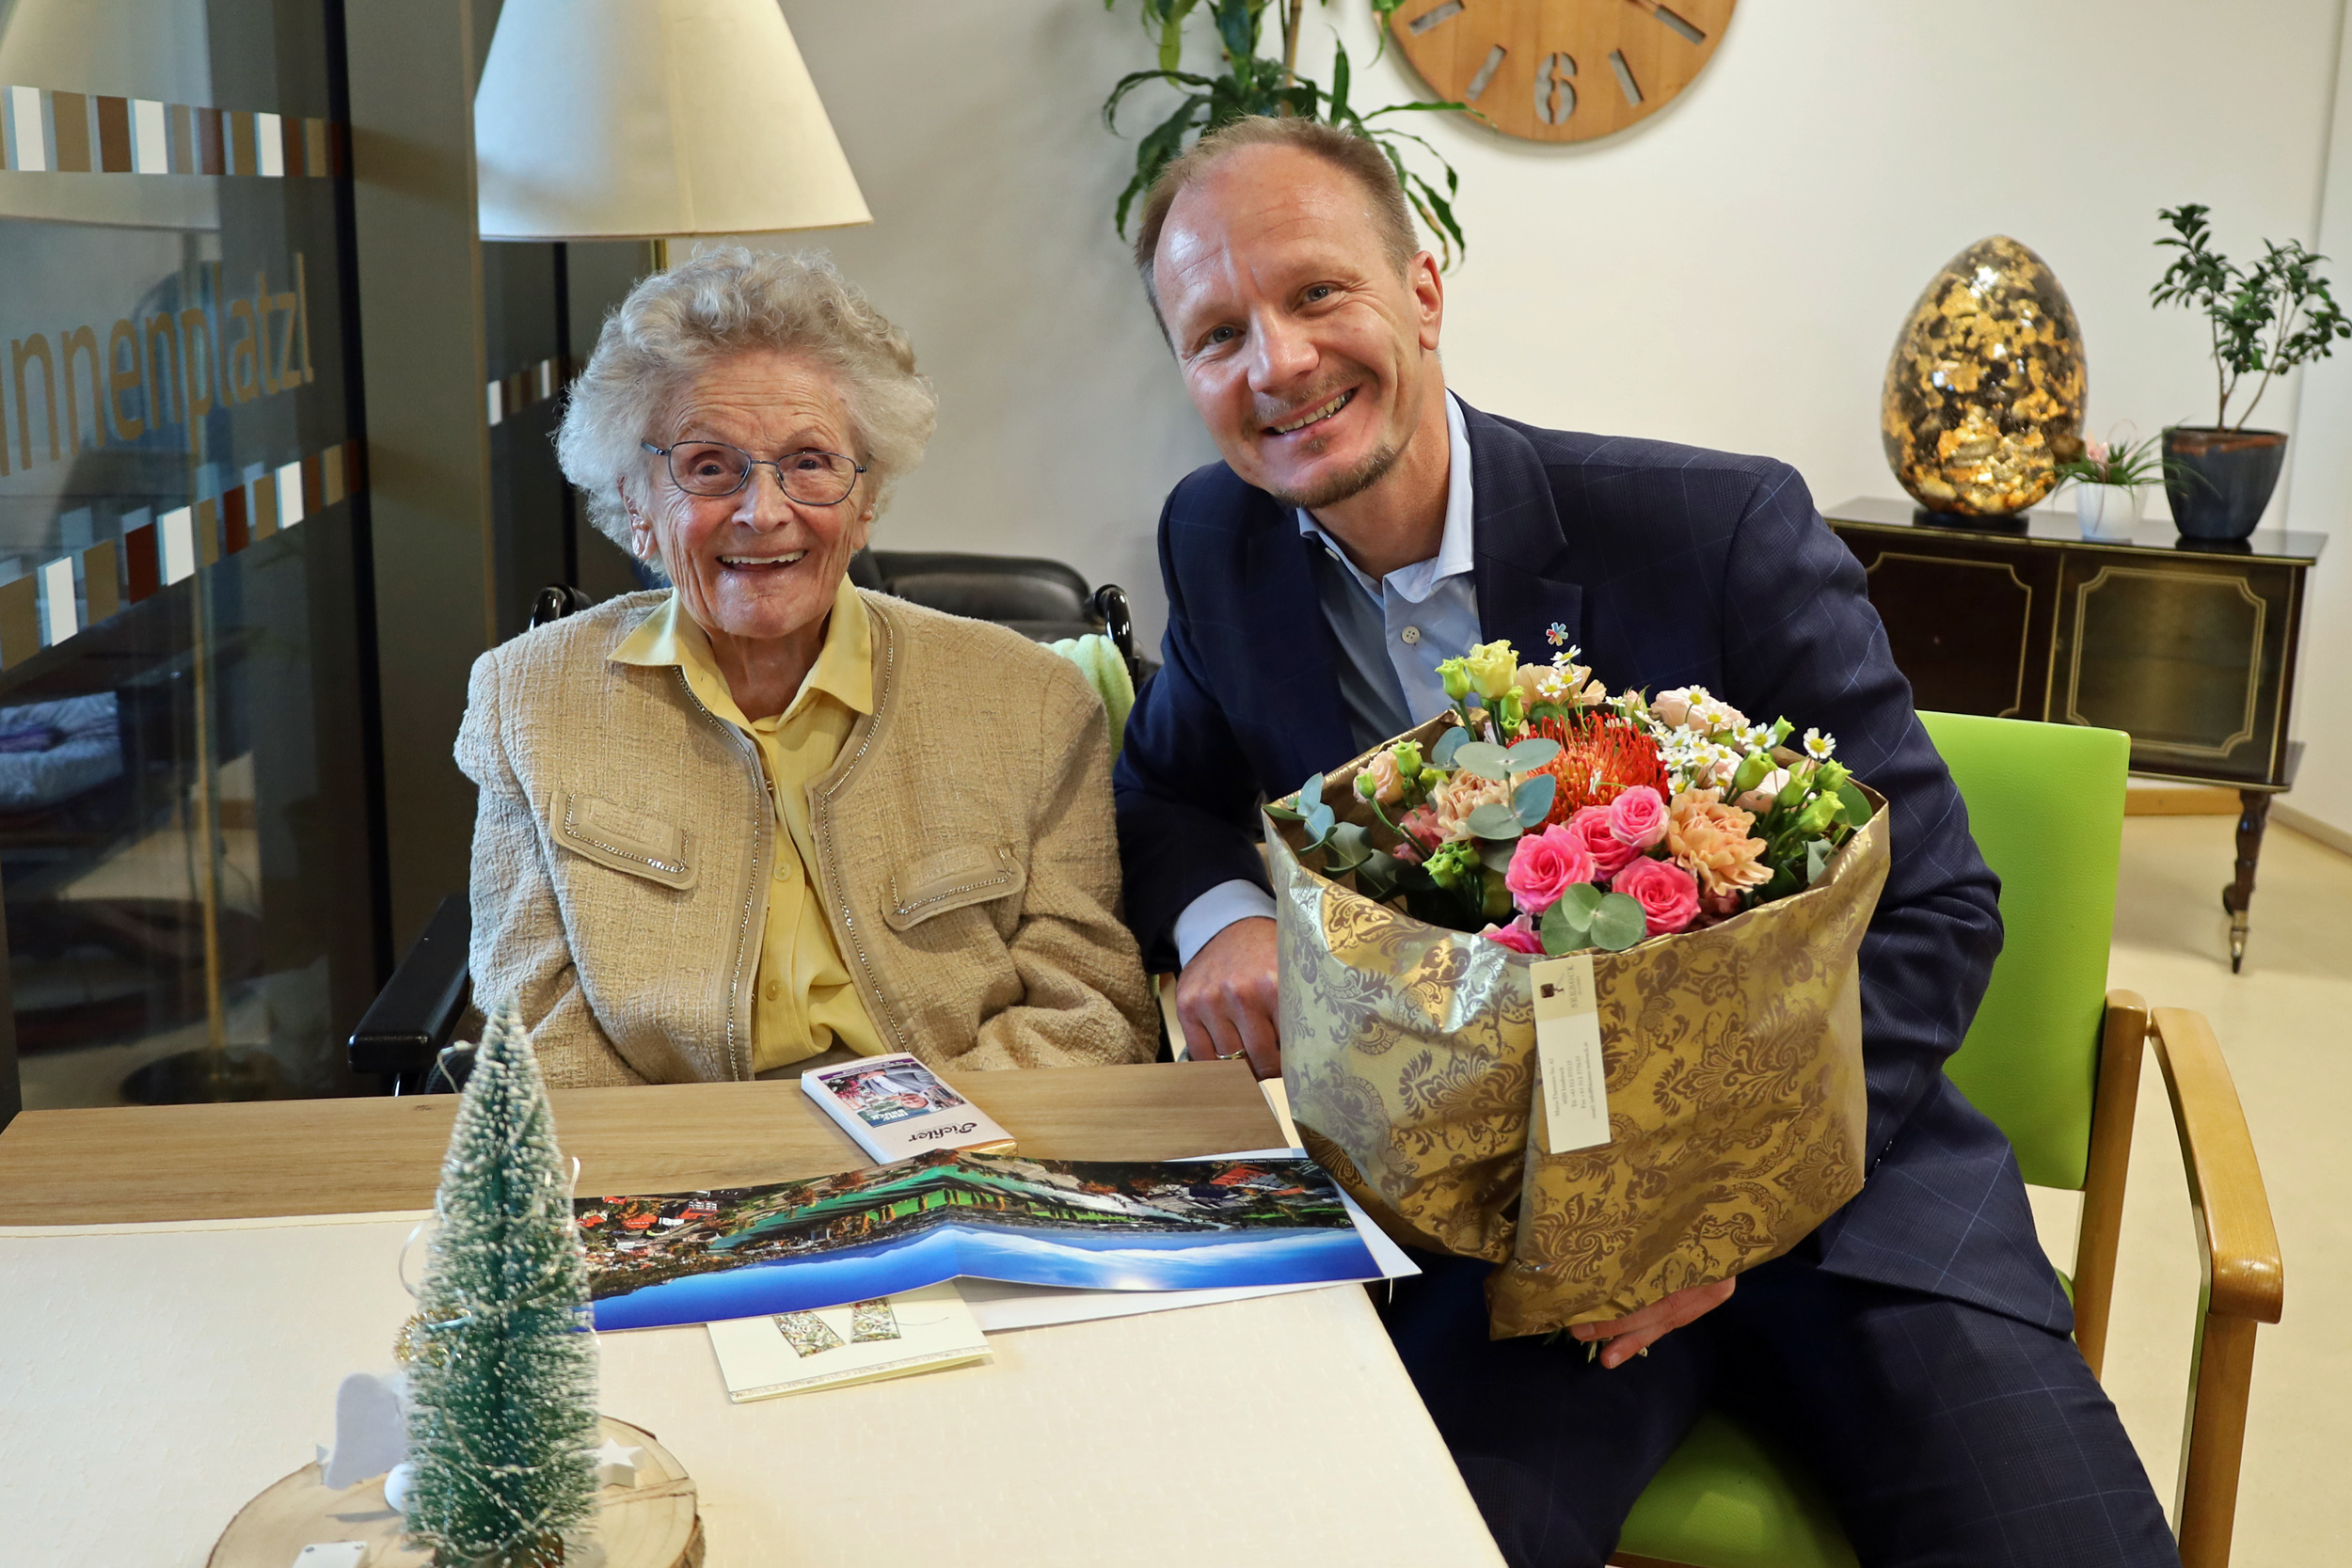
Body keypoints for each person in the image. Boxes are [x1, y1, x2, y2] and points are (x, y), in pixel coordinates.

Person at [1111, 117, 2175, 1568]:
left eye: (1315, 295)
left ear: (1423, 292)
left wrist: (1713, 1207)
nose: (1278, 363)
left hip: (1842, 1204)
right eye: (1216, 331)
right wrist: (1225, 914)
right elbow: (1167, 789)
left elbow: (1938, 907)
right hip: (1509, 1237)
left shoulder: (1712, 524)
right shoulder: (1218, 542)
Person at [457, 247, 1154, 1086]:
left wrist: (922, 1149)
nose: (764, 511)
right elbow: (535, 1029)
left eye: (810, 463)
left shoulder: (1031, 701)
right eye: (707, 467)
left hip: (962, 1162)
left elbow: (1092, 1006)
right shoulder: (529, 699)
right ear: (637, 509)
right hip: (670, 1178)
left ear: (864, 502)